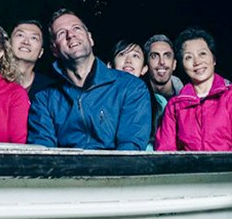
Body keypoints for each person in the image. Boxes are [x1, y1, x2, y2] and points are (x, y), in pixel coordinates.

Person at [27, 9, 153, 150]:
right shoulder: (45, 100)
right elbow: (43, 153)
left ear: (90, 38)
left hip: (117, 164)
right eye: (61, 33)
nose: (71, 35)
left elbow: (130, 149)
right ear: (54, 50)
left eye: (76, 28)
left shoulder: (131, 87)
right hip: (65, 165)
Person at [155, 28, 232, 151]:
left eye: (202, 54)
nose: (197, 62)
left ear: (213, 59)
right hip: (189, 164)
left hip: (230, 164)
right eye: (188, 57)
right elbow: (166, 150)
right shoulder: (175, 106)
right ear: (182, 65)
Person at [143, 33, 182, 124]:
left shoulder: (188, 98)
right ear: (147, 64)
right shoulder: (137, 98)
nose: (162, 62)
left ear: (174, 64)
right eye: (154, 56)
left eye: (167, 55)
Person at [8, 19, 47, 92]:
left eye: (34, 38)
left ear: (41, 52)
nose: (26, 42)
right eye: (20, 35)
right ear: (8, 44)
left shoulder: (49, 90)